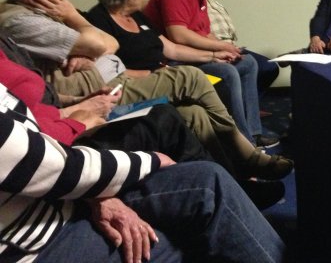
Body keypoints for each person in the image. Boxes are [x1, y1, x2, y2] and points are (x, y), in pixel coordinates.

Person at [0, 0, 292, 182]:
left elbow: (115, 47)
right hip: (105, 89)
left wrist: (216, 53)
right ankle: (248, 155)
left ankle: (236, 177)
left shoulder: (129, 17)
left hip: (118, 78)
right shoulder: (27, 19)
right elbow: (107, 44)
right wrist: (80, 32)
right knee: (193, 77)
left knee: (197, 112)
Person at [0, 100, 286, 263]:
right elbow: (39, 162)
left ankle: (243, 189)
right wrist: (151, 161)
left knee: (207, 181)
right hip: (32, 240)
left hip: (49, 192)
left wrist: (92, 190)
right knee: (186, 236)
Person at [145, 0, 275, 147]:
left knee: (248, 62)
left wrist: (229, 49)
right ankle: (242, 143)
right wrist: (218, 49)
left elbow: (205, 34)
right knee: (227, 72)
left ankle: (253, 133)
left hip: (191, 57)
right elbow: (178, 35)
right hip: (173, 61)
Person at [183, 0, 280, 95]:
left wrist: (230, 49)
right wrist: (219, 50)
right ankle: (236, 102)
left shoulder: (212, 3)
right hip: (210, 50)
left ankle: (246, 102)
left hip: (227, 46)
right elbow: (185, 35)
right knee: (236, 70)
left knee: (268, 67)